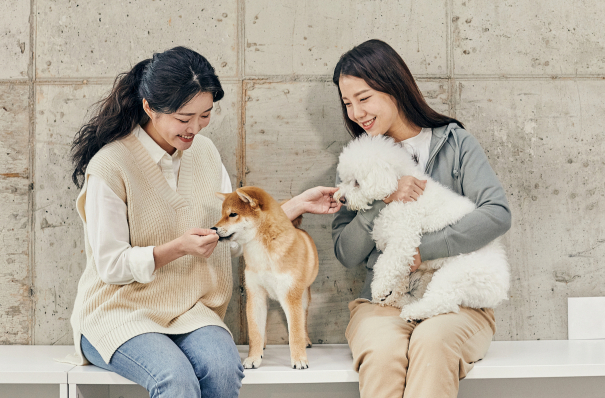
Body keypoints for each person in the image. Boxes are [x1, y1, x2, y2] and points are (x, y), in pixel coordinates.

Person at [68, 46, 342, 398]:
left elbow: (229, 231)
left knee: (224, 370)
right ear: (149, 107)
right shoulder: (110, 166)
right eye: (184, 118)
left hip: (191, 312)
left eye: (205, 115)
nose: (194, 128)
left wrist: (296, 205)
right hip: (118, 314)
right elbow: (110, 266)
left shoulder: (205, 153)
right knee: (175, 380)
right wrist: (177, 248)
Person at [331, 39, 511, 398]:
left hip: (461, 303)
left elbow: (496, 214)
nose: (355, 113)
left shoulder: (455, 143)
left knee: (432, 343)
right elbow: (346, 253)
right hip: (382, 304)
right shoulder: (358, 160)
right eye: (347, 103)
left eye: (363, 98)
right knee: (382, 355)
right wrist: (384, 200)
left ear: (394, 86)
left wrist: (423, 251)